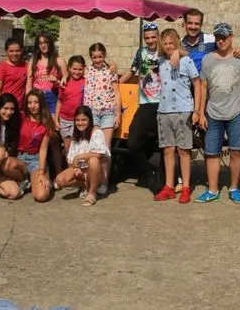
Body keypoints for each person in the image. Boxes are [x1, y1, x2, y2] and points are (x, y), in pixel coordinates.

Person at [195, 23, 240, 204]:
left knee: (236, 151)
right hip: (213, 113)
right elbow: (203, 87)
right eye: (218, 37)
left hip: (236, 112)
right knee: (211, 153)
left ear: (231, 37)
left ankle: (234, 188)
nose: (221, 40)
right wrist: (202, 112)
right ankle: (212, 190)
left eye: (224, 37)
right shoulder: (207, 60)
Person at [153, 28, 201, 203]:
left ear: (177, 43)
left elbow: (197, 84)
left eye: (171, 43)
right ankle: (169, 186)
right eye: (165, 43)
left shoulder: (186, 61)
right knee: (167, 150)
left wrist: (196, 111)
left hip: (183, 109)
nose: (168, 46)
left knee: (184, 150)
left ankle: (186, 187)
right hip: (164, 110)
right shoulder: (160, 61)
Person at [120, 23, 162, 188]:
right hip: (146, 104)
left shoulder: (165, 52)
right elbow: (132, 71)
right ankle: (149, 170)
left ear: (158, 37)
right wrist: (115, 83)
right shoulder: (141, 53)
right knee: (133, 142)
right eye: (147, 38)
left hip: (163, 104)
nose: (150, 40)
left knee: (165, 145)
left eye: (153, 37)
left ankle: (166, 179)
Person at [55, 106, 111, 206]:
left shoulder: (96, 132)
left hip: (96, 172)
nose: (80, 123)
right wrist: (74, 168)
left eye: (84, 120)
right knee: (60, 180)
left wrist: (80, 157)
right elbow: (71, 159)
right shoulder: (76, 135)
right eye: (77, 120)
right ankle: (85, 185)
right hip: (81, 172)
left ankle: (92, 193)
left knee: (93, 160)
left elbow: (99, 153)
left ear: (90, 120)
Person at [85, 42, 121, 194]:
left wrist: (118, 113)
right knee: (94, 149)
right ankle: (93, 180)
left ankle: (104, 181)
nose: (97, 60)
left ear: (104, 56)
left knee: (105, 149)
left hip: (107, 111)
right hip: (92, 112)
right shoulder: (87, 70)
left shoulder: (110, 70)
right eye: (94, 57)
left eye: (100, 57)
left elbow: (117, 92)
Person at [171, 8, 240, 72]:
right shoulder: (179, 44)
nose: (193, 27)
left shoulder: (212, 40)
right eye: (190, 23)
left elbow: (228, 48)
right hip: (185, 87)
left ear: (201, 25)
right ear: (185, 23)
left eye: (196, 24)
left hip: (206, 86)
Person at [17, 90, 56, 203]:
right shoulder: (21, 117)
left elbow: (43, 149)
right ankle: (25, 180)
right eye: (29, 102)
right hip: (20, 158)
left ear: (41, 103)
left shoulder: (47, 123)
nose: (32, 106)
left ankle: (36, 181)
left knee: (41, 196)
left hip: (35, 159)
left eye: (36, 102)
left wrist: (41, 172)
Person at [26, 32, 67, 118]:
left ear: (50, 43)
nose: (43, 45)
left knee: (52, 123)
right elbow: (29, 83)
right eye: (40, 43)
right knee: (38, 122)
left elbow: (66, 77)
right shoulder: (33, 62)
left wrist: (57, 80)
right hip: (37, 95)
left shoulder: (59, 60)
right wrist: (28, 99)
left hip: (52, 95)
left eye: (46, 42)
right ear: (38, 45)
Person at [57, 56, 86, 154]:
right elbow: (59, 101)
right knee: (67, 147)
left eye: (80, 69)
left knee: (78, 146)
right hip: (64, 119)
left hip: (78, 120)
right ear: (69, 68)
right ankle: (70, 168)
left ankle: (78, 168)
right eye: (74, 69)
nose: (77, 72)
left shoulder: (86, 82)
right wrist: (56, 119)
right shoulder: (64, 82)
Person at [0, 38, 29, 111]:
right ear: (6, 51)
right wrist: (1, 107)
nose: (15, 54)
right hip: (4, 106)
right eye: (11, 51)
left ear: (21, 51)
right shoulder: (2, 67)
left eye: (18, 51)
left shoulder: (26, 66)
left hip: (19, 107)